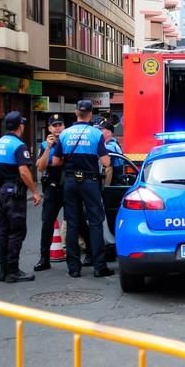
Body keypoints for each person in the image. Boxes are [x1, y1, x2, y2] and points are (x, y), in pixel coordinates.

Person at [53, 100, 114, 278]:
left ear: (76, 112)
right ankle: (99, 266)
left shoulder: (65, 134)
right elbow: (106, 162)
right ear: (91, 113)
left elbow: (56, 162)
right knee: (95, 222)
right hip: (90, 181)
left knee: (72, 223)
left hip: (71, 181)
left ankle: (74, 268)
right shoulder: (96, 134)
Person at [0, 111, 42, 283]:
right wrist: (34, 191)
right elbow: (24, 171)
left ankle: (2, 270)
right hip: (14, 193)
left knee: (4, 231)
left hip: (0, 191)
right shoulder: (18, 145)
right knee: (17, 231)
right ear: (20, 126)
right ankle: (12, 271)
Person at [34, 114, 65, 272]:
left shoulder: (67, 141)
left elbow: (60, 162)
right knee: (47, 223)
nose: (58, 127)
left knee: (77, 221)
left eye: (60, 124)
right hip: (52, 187)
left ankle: (89, 254)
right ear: (49, 128)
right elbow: (40, 167)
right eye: (55, 125)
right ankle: (44, 258)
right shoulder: (45, 145)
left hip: (67, 186)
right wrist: (47, 147)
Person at [99, 120, 123, 185]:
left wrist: (105, 189)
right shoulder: (114, 142)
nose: (98, 132)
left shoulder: (109, 147)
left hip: (114, 183)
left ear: (109, 133)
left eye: (101, 130)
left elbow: (109, 170)